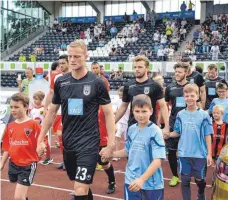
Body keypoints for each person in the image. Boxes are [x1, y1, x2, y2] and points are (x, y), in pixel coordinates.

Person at [36, 40, 116, 200]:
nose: (72, 60)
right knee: (80, 184)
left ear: (86, 56)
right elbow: (51, 112)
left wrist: (111, 143)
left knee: (79, 189)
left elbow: (108, 113)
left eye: (77, 56)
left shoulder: (97, 82)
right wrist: (40, 139)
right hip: (69, 142)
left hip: (89, 143)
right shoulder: (61, 81)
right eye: (70, 56)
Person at [112, 94, 166, 200]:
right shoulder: (131, 129)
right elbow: (128, 151)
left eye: (144, 111)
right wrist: (111, 154)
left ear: (151, 111)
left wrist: (142, 179)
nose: (140, 115)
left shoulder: (155, 131)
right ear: (132, 111)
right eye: (137, 111)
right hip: (131, 180)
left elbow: (158, 161)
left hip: (151, 184)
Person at [164, 84, 213, 200]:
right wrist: (168, 134)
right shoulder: (180, 115)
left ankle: (201, 194)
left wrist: (209, 153)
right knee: (185, 180)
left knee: (199, 180)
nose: (189, 98)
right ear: (184, 97)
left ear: (197, 96)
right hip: (184, 153)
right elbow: (177, 132)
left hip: (199, 154)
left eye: (192, 95)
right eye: (187, 95)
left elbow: (207, 135)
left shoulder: (204, 115)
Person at [115, 55, 170, 134]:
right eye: (135, 67)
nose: (137, 69)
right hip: (132, 127)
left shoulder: (155, 85)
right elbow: (123, 106)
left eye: (140, 67)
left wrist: (167, 126)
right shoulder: (128, 86)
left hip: (150, 127)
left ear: (147, 68)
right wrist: (113, 123)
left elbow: (163, 106)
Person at [0, 93, 41, 200]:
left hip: (28, 165)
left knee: (18, 197)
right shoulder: (10, 126)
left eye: (17, 107)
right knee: (20, 193)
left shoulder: (33, 124)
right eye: (11, 107)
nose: (13, 110)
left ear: (26, 107)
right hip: (13, 164)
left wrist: (41, 147)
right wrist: (1, 164)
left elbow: (41, 140)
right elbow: (7, 147)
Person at [90, 62, 116, 194]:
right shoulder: (88, 104)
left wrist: (110, 140)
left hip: (101, 136)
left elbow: (110, 120)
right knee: (85, 163)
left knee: (104, 163)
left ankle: (112, 181)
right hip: (88, 138)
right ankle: (82, 191)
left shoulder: (104, 107)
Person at [165, 62, 190, 187]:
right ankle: (175, 175)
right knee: (171, 151)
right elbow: (164, 105)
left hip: (189, 122)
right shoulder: (170, 88)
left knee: (187, 151)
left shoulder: (191, 86)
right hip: (174, 122)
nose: (177, 74)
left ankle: (186, 174)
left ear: (186, 73)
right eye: (176, 72)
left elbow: (198, 103)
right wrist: (163, 124)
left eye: (179, 72)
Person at [43, 55, 70, 170]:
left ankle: (70, 161)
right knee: (60, 137)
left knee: (63, 134)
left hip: (71, 111)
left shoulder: (75, 75)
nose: (61, 66)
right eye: (60, 64)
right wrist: (45, 107)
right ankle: (65, 160)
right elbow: (51, 93)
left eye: (63, 63)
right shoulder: (56, 77)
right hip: (58, 111)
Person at [29, 91, 53, 165]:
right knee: (34, 142)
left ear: (41, 99)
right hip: (34, 129)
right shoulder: (32, 109)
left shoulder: (44, 109)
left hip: (43, 129)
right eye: (34, 99)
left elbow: (48, 118)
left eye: (37, 99)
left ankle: (45, 157)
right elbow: (30, 119)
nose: (35, 101)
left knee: (44, 143)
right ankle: (47, 157)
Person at [113, 86, 130, 161]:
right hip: (120, 122)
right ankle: (116, 154)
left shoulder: (129, 102)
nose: (120, 96)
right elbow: (117, 111)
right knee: (117, 137)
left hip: (127, 122)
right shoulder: (118, 101)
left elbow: (126, 111)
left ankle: (128, 153)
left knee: (128, 139)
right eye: (119, 95)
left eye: (121, 95)